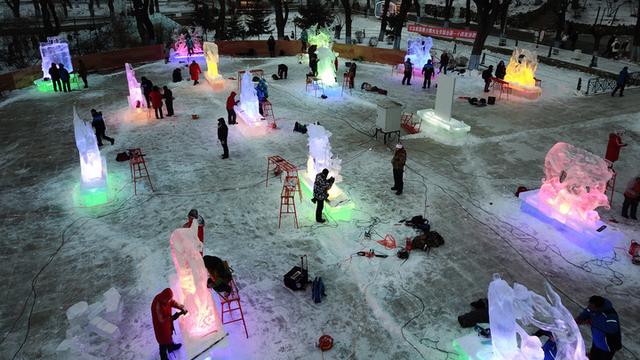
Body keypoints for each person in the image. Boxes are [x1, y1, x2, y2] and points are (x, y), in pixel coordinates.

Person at [575, 295, 621, 360]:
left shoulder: (610, 315)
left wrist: (591, 322)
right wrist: (579, 319)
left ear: (598, 308)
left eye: (591, 307)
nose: (589, 307)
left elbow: (612, 328)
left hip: (607, 346)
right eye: (589, 305)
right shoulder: (593, 308)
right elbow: (588, 311)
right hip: (597, 342)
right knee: (593, 356)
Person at [151, 288, 187, 360]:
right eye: (168, 299)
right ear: (164, 298)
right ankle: (163, 358)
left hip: (167, 324)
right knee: (163, 342)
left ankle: (171, 347)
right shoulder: (157, 305)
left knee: (169, 335)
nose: (169, 301)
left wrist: (181, 307)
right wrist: (173, 317)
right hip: (160, 327)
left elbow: (172, 302)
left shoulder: (165, 298)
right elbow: (161, 320)